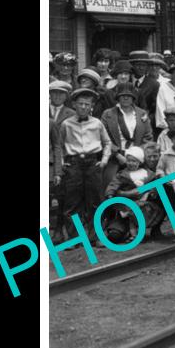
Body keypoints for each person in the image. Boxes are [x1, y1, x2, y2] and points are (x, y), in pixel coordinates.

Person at [55, 88, 112, 237]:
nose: (83, 107)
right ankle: (75, 238)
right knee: (72, 203)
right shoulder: (66, 124)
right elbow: (59, 146)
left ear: (91, 106)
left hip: (92, 163)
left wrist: (104, 160)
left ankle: (95, 236)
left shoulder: (97, 123)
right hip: (73, 165)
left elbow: (107, 143)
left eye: (87, 104)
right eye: (80, 104)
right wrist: (62, 164)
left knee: (95, 201)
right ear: (74, 104)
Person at [100, 83, 154, 190]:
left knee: (144, 183)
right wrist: (117, 155)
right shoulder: (108, 114)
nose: (125, 98)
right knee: (109, 182)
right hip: (116, 156)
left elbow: (148, 137)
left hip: (138, 157)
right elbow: (104, 138)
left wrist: (137, 156)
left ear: (133, 98)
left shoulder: (141, 114)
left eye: (129, 96)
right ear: (117, 97)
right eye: (122, 95)